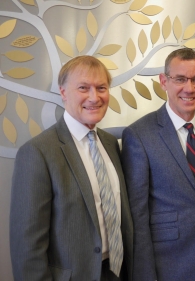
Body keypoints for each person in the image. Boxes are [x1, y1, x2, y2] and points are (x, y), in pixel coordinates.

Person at [10, 56, 133, 281]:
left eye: (101, 88)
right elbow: (27, 248)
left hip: (117, 272)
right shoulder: (37, 152)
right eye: (83, 88)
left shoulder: (110, 143)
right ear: (64, 93)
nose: (94, 97)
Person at [121, 48, 195, 281]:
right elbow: (137, 216)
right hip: (166, 266)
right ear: (163, 81)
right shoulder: (139, 135)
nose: (189, 88)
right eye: (180, 79)